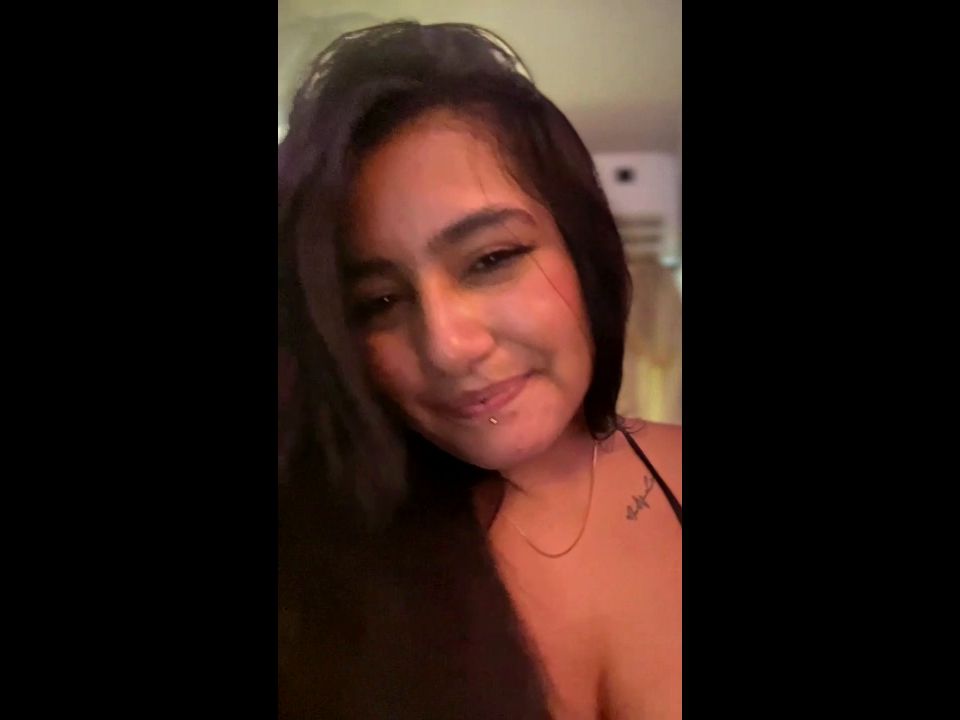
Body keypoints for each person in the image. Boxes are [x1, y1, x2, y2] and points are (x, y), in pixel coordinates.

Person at [278, 21, 681, 720]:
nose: (447, 346)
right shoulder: (320, 575)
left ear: (583, 250)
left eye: (491, 259)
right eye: (379, 302)